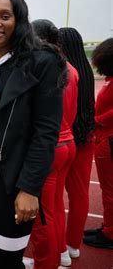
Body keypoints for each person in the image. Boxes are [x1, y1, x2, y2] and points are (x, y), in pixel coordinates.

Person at [0, 0, 65, 269]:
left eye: (4, 16)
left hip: (10, 183)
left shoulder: (42, 61)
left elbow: (46, 132)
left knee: (6, 260)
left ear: (19, 20)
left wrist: (29, 188)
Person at [27, 19, 77, 269]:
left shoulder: (44, 67)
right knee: (56, 206)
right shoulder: (70, 68)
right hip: (67, 142)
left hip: (51, 146)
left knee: (42, 215)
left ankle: (49, 260)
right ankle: (61, 254)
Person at [58, 27, 96, 259]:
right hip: (84, 138)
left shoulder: (64, 72)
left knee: (53, 199)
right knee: (79, 194)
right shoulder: (86, 71)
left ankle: (60, 248)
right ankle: (73, 245)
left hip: (64, 140)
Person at [83, 37, 113, 249]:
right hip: (104, 138)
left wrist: (96, 121)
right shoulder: (111, 80)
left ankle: (110, 234)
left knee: (109, 190)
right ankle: (108, 227)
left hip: (108, 140)